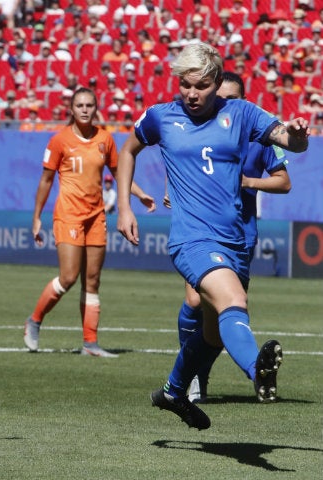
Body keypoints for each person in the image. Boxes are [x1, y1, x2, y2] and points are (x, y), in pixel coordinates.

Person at [116, 43, 309, 430]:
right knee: (233, 300)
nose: (191, 93)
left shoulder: (240, 113)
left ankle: (173, 391)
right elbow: (127, 151)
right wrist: (124, 207)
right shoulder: (160, 117)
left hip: (235, 241)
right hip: (192, 240)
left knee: (212, 334)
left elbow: (293, 146)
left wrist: (299, 134)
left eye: (201, 86)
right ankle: (259, 370)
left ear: (217, 83)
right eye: (185, 85)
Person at [165, 71, 292, 403]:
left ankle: (190, 380)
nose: (225, 104)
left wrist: (249, 182)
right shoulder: (200, 129)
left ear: (244, 101)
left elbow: (284, 181)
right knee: (195, 300)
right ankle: (196, 379)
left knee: (223, 313)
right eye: (222, 98)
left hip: (241, 234)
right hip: (200, 233)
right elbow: (183, 165)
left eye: (233, 99)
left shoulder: (258, 135)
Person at [24, 88, 156, 357]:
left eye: (89, 105)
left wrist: (139, 193)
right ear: (71, 110)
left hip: (96, 215)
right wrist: (37, 217)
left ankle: (90, 343)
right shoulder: (59, 141)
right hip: (69, 214)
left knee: (92, 280)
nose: (84, 110)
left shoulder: (105, 139)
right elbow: (46, 181)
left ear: (96, 109)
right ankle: (34, 320)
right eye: (79, 105)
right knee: (69, 276)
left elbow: (119, 173)